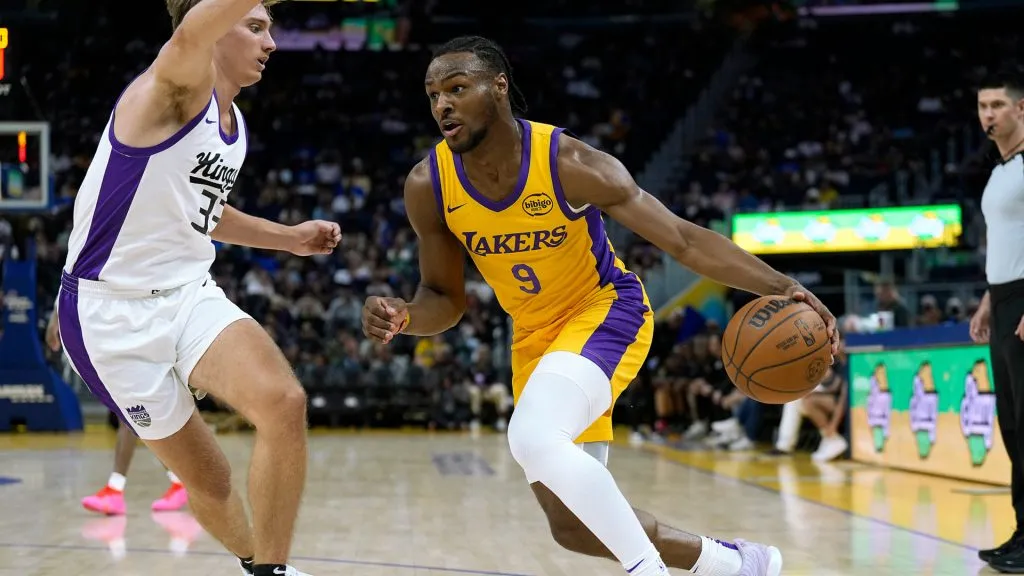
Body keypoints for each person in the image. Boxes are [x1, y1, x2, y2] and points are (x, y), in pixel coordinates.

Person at [362, 36, 838, 576]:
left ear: (498, 87)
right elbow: (444, 301)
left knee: (532, 435)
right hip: (535, 338)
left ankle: (648, 572)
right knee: (577, 528)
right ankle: (736, 565)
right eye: (432, 95)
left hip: (605, 311)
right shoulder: (428, 184)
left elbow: (682, 241)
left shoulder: (570, 163)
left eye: (456, 88)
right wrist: (403, 313)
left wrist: (780, 285)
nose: (442, 105)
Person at [56, 2, 340, 574]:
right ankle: (250, 559)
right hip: (108, 314)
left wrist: (289, 239)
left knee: (284, 403)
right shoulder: (170, 89)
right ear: (215, 29)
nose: (271, 43)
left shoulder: (232, 127)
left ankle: (273, 571)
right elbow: (188, 29)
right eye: (256, 26)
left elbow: (202, 213)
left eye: (270, 29)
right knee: (210, 479)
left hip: (186, 291)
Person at [46, 309, 189, 516]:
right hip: (124, 333)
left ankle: (120, 489)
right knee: (137, 418)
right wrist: (56, 315)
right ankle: (178, 482)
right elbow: (72, 276)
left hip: (143, 331)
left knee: (134, 416)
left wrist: (57, 316)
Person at [970, 70, 1024, 573]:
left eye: (997, 105)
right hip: (1005, 300)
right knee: (1012, 425)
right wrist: (989, 301)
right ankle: (1022, 532)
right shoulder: (1001, 171)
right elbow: (1007, 244)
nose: (988, 114)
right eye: (983, 105)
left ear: (1021, 110)